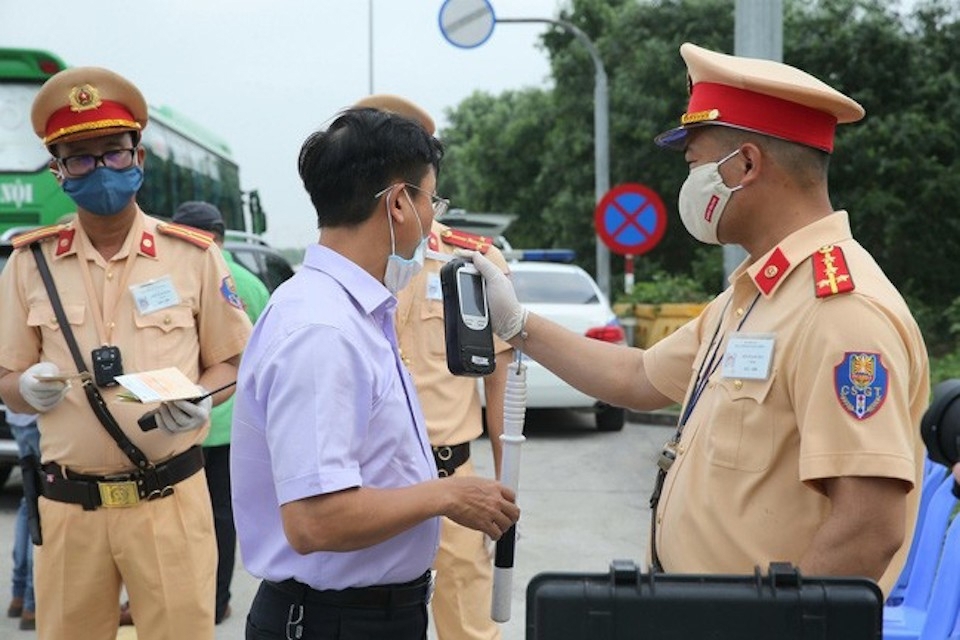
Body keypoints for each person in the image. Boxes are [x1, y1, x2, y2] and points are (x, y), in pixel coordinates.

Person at [466, 42, 929, 597]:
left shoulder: (841, 311)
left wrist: (765, 629)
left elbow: (868, 529)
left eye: (695, 166)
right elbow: (638, 378)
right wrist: (517, 324)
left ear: (746, 165)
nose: (688, 186)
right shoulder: (758, 292)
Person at [230, 106, 520, 640]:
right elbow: (316, 519)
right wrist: (448, 495)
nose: (435, 217)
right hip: (330, 620)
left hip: (364, 614)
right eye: (433, 200)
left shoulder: (348, 309)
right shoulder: (324, 330)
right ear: (399, 204)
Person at [0, 66, 252, 640]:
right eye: (80, 158)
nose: (100, 170)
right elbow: (6, 374)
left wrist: (201, 399)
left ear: (138, 157)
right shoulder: (27, 264)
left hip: (169, 499)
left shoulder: (192, 257)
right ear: (59, 170)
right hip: (70, 505)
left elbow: (232, 360)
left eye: (113, 152)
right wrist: (24, 388)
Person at [354, 94, 511, 640]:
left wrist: (507, 484)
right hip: (371, 492)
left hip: (455, 479)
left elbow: (499, 386)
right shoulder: (343, 267)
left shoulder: (474, 264)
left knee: (468, 627)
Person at [117, 201, 269, 628]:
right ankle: (215, 598)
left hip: (189, 429)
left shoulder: (180, 274)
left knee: (171, 521)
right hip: (221, 423)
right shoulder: (252, 284)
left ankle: (163, 600)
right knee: (216, 517)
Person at [6, 410, 40, 632]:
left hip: (16, 417)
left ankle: (18, 596)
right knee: (43, 506)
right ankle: (31, 603)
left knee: (29, 501)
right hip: (41, 420)